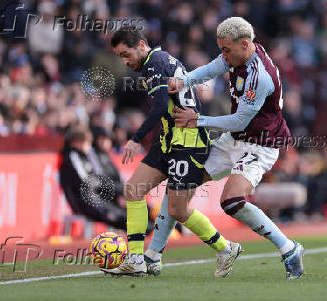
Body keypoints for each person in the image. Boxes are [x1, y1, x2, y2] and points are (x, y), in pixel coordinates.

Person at [145, 17, 305, 279]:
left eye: (226, 49)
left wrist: (198, 121)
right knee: (180, 182)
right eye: (221, 48)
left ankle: (289, 249)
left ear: (244, 44)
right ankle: (152, 256)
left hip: (260, 145)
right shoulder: (238, 56)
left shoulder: (259, 76)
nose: (223, 55)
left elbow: (240, 119)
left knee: (230, 201)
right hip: (234, 139)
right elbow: (210, 68)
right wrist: (184, 81)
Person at [101, 27, 242, 277]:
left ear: (141, 45)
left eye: (126, 54)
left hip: (187, 143)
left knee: (178, 209)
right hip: (168, 139)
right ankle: (136, 259)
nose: (124, 61)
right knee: (133, 189)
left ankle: (226, 247)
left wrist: (135, 138)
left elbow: (158, 106)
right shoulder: (159, 61)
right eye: (120, 57)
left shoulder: (155, 63)